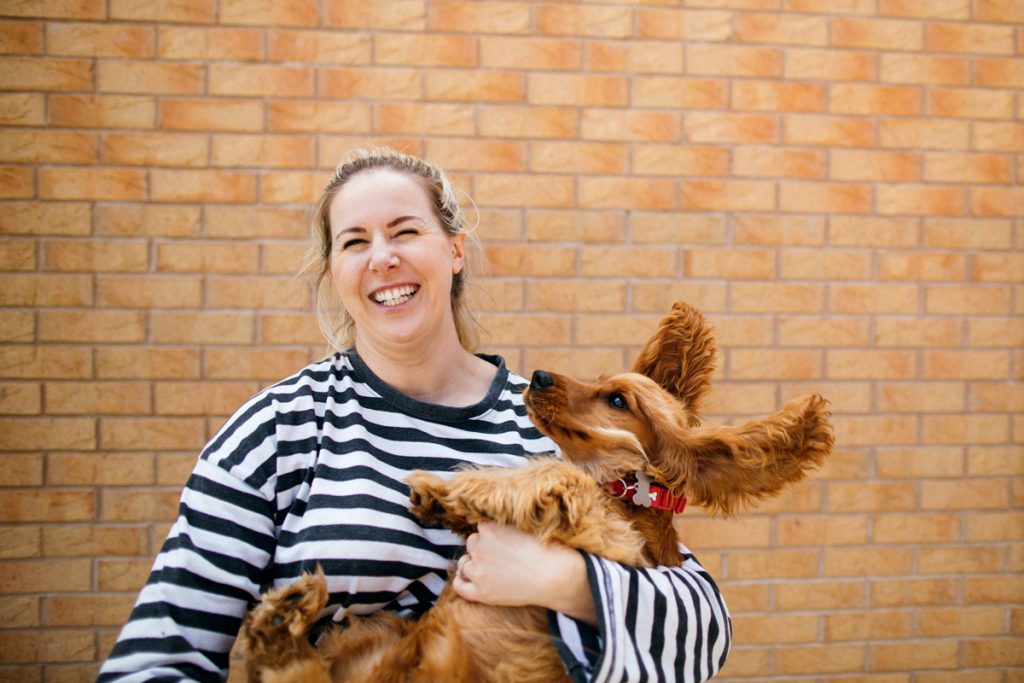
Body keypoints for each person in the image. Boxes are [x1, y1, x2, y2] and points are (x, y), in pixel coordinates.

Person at [98, 148, 731, 682]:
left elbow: (702, 630)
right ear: (335, 273)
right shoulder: (278, 430)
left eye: (405, 231)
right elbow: (163, 651)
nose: (382, 257)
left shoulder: (553, 426)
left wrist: (567, 581)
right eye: (354, 242)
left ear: (455, 250)